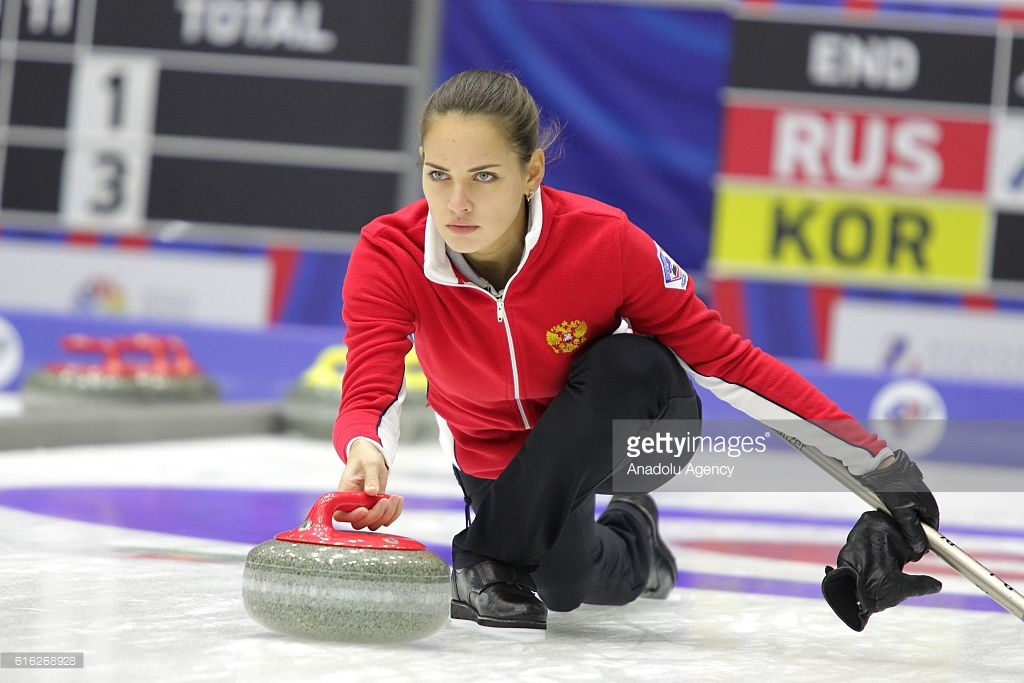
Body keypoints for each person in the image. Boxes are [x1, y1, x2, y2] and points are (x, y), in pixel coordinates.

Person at [331, 69, 941, 632]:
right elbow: (371, 381)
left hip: (637, 433)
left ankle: (486, 556)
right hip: (501, 457)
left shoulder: (605, 242)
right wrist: (365, 447)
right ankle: (636, 534)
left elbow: (727, 361)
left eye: (484, 176)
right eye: (439, 175)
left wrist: (874, 460)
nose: (456, 203)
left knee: (630, 362)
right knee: (562, 587)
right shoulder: (390, 252)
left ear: (532, 171)